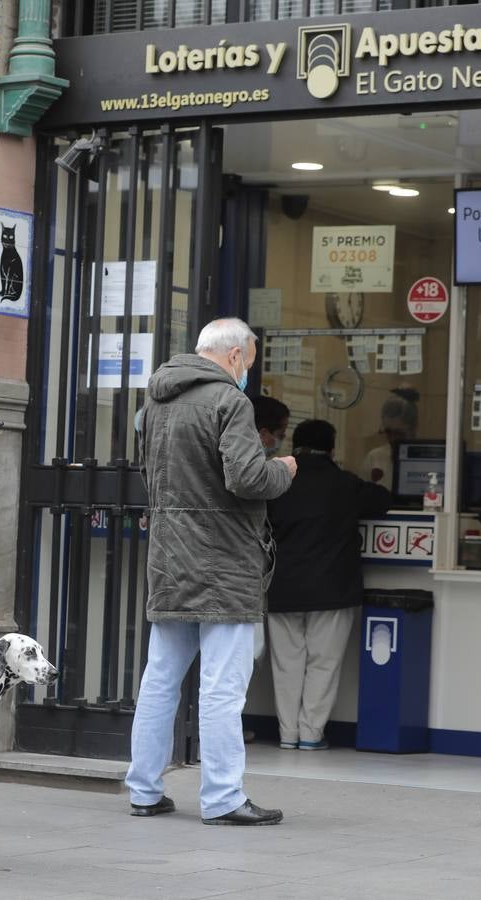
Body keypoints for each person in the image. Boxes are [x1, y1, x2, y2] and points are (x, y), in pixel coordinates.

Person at [126, 317, 296, 826]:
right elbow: (247, 478)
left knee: (160, 679)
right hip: (224, 563)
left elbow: (148, 474)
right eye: (251, 359)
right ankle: (223, 798)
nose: (250, 369)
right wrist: (282, 471)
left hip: (170, 558)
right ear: (237, 356)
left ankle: (144, 789)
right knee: (223, 685)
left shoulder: (155, 402)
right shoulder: (230, 402)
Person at [267, 420, 392, 751]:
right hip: (331, 589)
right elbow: (381, 500)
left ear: (294, 445)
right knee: (324, 662)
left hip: (282, 588)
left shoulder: (277, 482)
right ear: (333, 449)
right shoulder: (344, 484)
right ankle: (311, 733)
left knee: (286, 663)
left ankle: (287, 734)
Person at [362, 387, 419, 488]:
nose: (393, 439)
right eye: (388, 432)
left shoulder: (424, 458)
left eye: (399, 433)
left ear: (413, 428)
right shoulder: (375, 457)